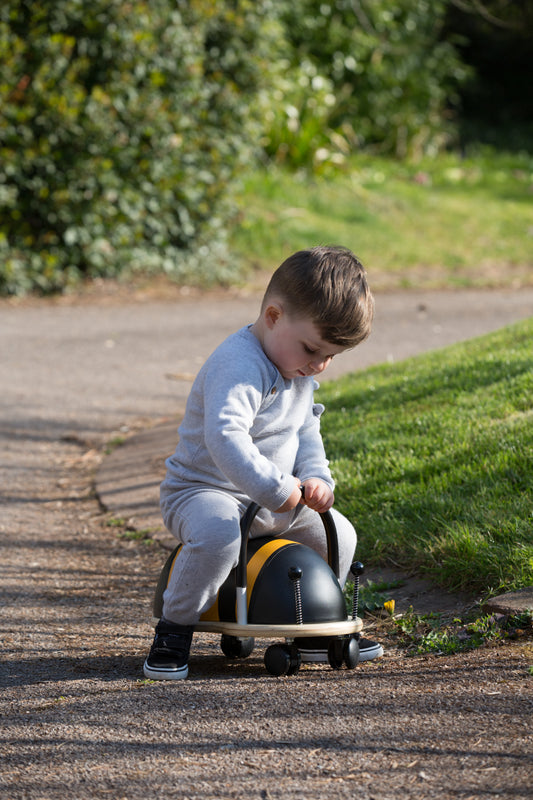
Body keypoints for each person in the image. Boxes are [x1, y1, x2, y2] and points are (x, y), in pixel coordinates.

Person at [143, 245, 383, 680]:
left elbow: (305, 432)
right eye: (312, 349)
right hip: (204, 492)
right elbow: (225, 437)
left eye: (331, 356)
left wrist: (314, 476)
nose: (320, 366)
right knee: (217, 535)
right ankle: (174, 628)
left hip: (273, 502)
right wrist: (276, 489)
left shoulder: (297, 370)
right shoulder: (238, 363)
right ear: (274, 316)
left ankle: (314, 630)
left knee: (340, 535)